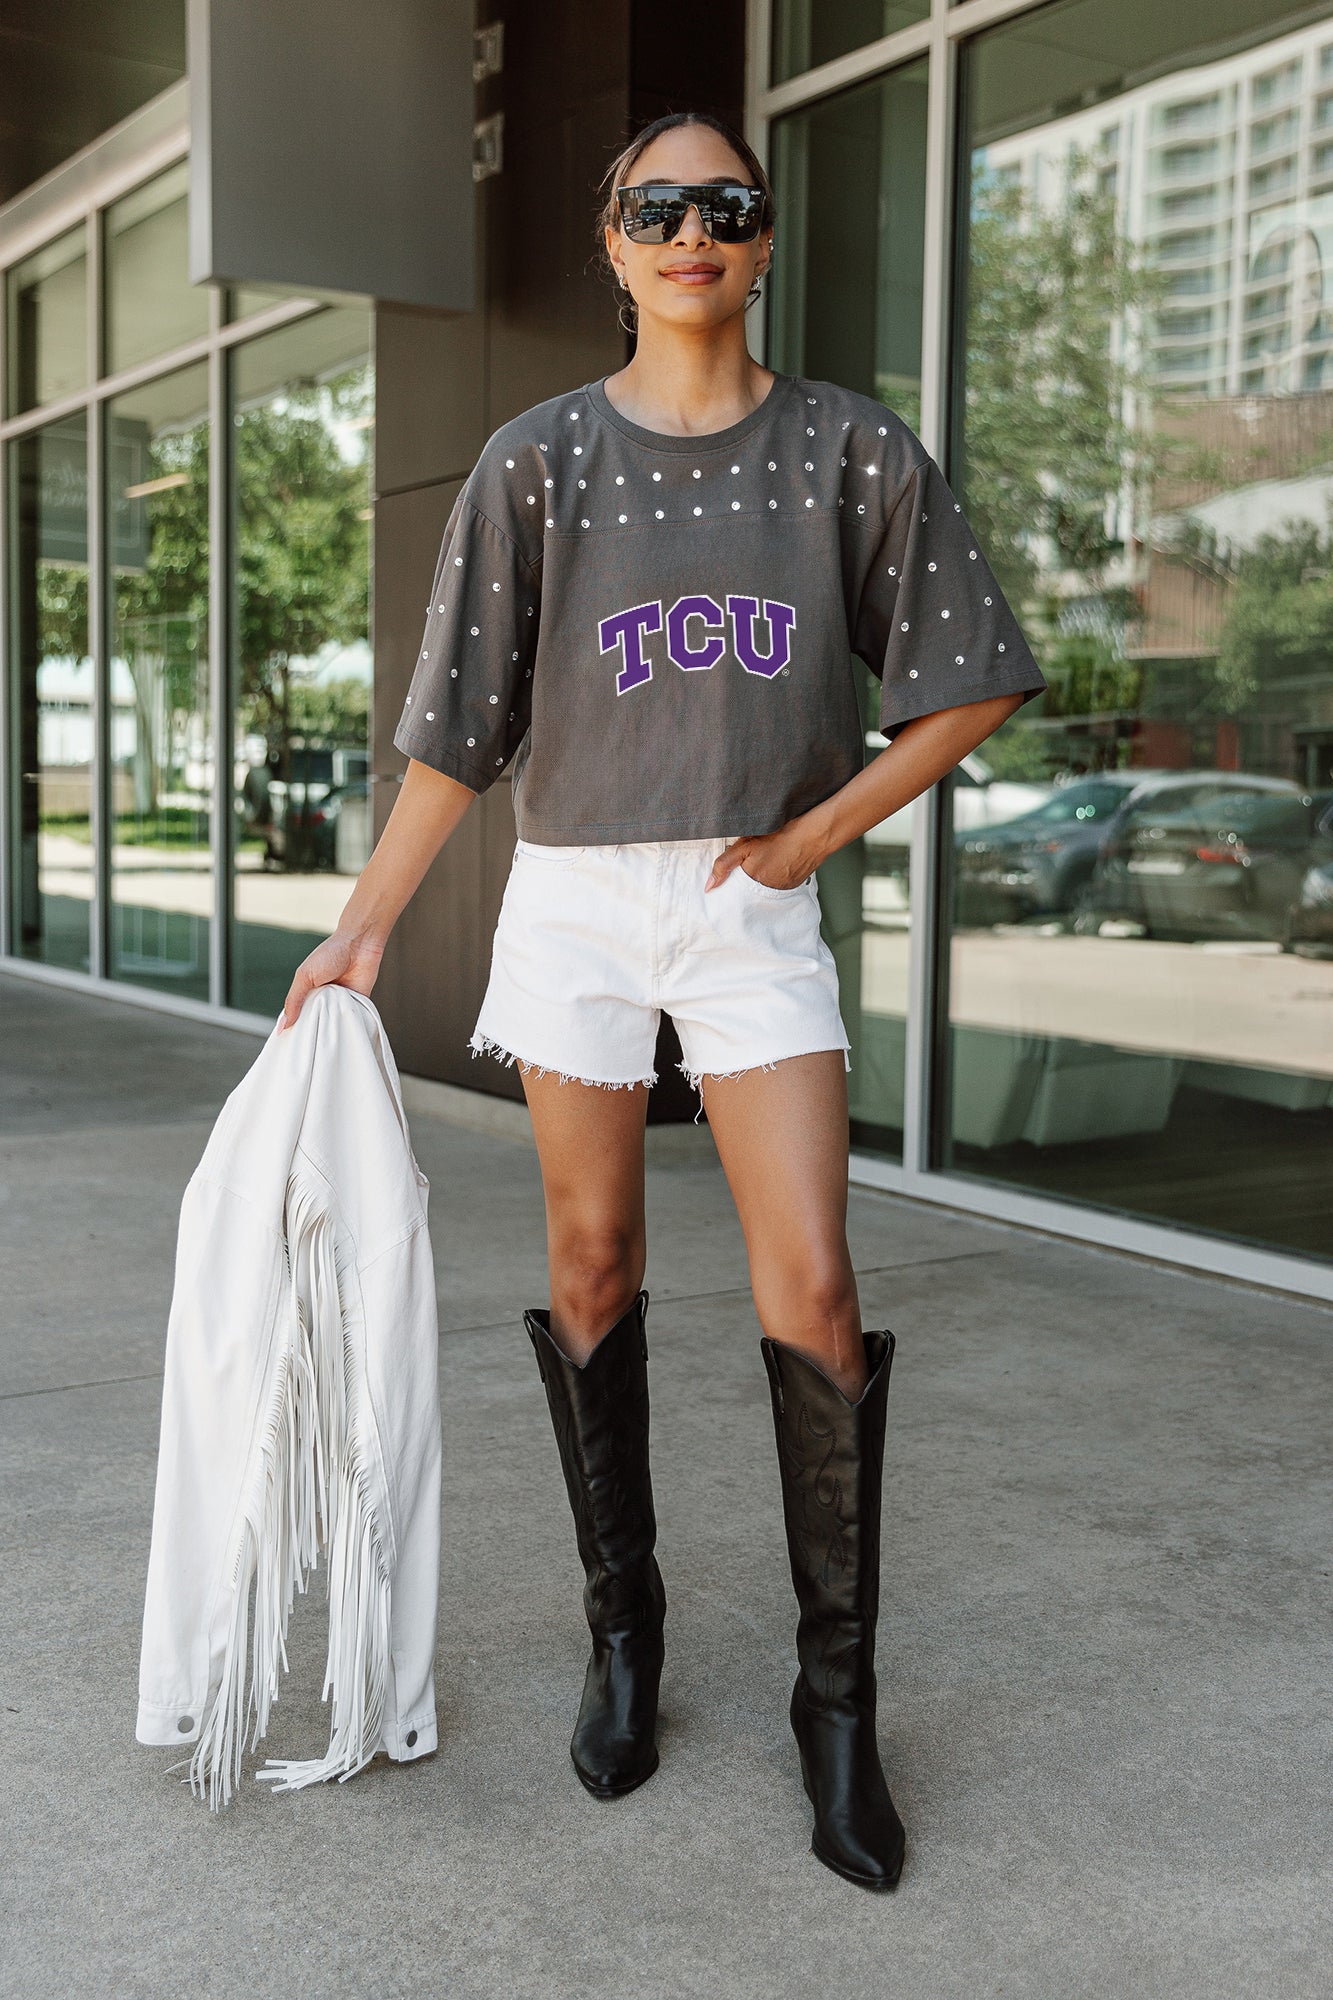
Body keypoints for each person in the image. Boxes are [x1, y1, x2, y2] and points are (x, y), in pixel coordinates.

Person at [278, 109, 1048, 1892]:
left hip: (745, 900)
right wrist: (366, 929)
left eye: (726, 205)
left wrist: (814, 837)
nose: (691, 228)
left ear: (761, 242)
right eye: (655, 206)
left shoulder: (851, 451)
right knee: (592, 1266)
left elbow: (964, 680)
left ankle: (832, 1702)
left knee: (815, 1285)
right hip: (576, 902)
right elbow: (456, 731)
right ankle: (623, 1635)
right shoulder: (535, 462)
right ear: (610, 246)